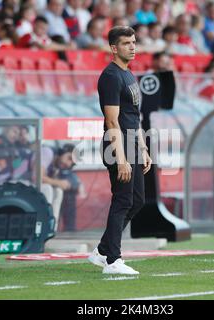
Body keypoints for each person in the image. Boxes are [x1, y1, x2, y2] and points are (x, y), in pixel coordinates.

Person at [88, 26, 152, 275]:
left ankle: (103, 250)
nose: (132, 47)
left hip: (133, 145)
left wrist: (143, 148)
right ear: (114, 48)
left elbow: (133, 117)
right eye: (126, 43)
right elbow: (112, 121)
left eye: (134, 42)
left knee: (137, 201)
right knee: (123, 200)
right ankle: (113, 260)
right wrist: (122, 158)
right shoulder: (111, 76)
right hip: (118, 147)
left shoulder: (128, 74)